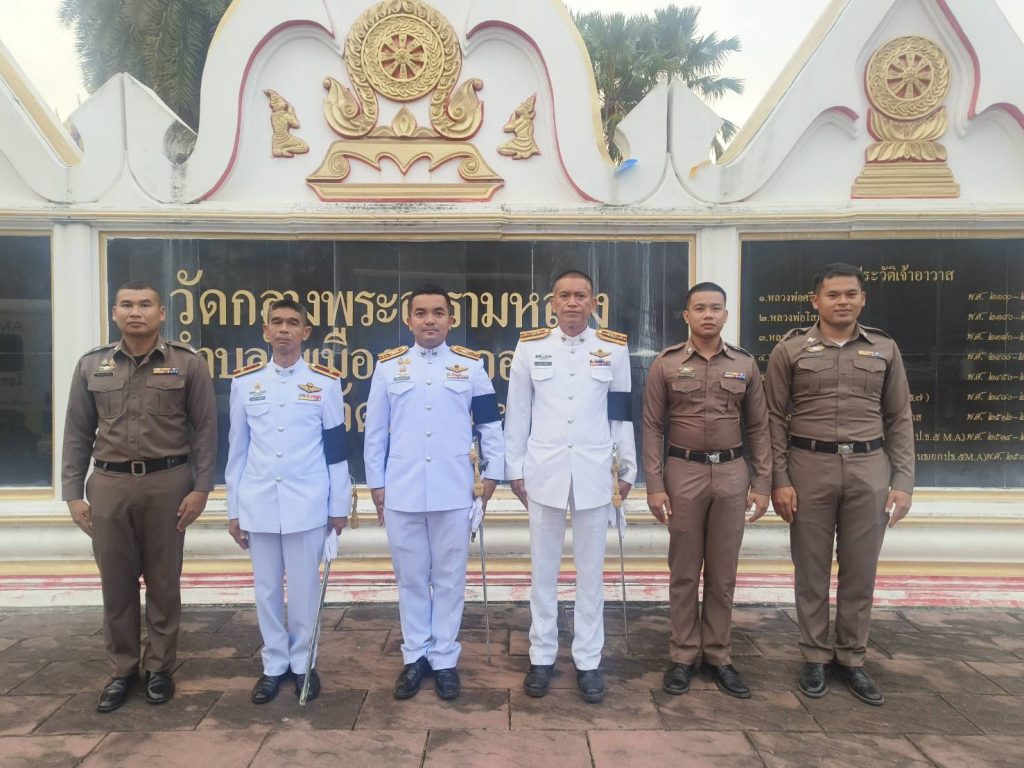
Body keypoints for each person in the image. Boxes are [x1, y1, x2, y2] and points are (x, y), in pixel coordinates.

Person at [62, 282, 217, 712]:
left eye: (145, 304)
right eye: (127, 305)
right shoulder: (92, 365)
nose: (136, 312)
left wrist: (202, 488)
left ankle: (160, 668)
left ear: (161, 313)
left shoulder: (187, 364)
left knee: (164, 583)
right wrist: (73, 493)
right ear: (114, 313)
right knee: (116, 583)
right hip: (109, 485)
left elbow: (205, 431)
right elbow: (76, 432)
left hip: (167, 484)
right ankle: (123, 670)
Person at [764, 262, 914, 706]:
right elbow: (772, 417)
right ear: (816, 301)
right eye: (833, 295)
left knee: (860, 570)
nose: (842, 301)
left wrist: (903, 481)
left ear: (863, 299)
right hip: (809, 467)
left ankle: (851, 658)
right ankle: (814, 655)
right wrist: (779, 479)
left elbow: (899, 417)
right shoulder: (790, 349)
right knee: (810, 568)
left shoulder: (884, 348)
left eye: (851, 294)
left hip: (869, 469)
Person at [364, 284, 504, 701]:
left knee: (449, 578)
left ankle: (443, 658)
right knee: (409, 578)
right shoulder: (388, 367)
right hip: (402, 490)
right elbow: (375, 433)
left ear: (451, 319)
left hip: (455, 489)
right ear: (408, 320)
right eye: (421, 313)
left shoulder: (471, 367)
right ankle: (414, 656)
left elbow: (489, 426)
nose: (430, 320)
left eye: (438, 312)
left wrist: (491, 478)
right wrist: (376, 484)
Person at [504, 269, 636, 704]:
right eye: (565, 295)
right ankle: (541, 656)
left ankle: (588, 661)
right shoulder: (531, 346)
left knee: (590, 574)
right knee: (542, 571)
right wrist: (515, 468)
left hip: (596, 471)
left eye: (581, 295)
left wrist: (626, 468)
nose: (573, 302)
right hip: (544, 470)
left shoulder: (612, 348)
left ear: (594, 303)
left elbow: (621, 413)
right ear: (552, 303)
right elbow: (518, 412)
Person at [643, 282, 771, 699]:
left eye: (716, 308)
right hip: (684, 472)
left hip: (732, 473)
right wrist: (655, 485)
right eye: (699, 308)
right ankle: (682, 655)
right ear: (687, 315)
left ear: (726, 315)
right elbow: (653, 427)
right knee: (683, 570)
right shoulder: (665, 364)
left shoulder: (745, 364)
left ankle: (718, 654)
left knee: (722, 571)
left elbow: (759, 426)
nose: (708, 315)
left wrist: (762, 483)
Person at [226, 298, 351, 704]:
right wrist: (234, 510)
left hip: (307, 503)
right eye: (276, 322)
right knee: (265, 590)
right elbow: (237, 451)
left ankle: (303, 664)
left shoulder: (325, 383)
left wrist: (338, 506)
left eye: (292, 322)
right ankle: (273, 665)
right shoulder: (245, 383)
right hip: (259, 501)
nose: (284, 329)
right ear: (265, 331)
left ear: (305, 332)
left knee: (303, 591)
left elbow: (336, 451)